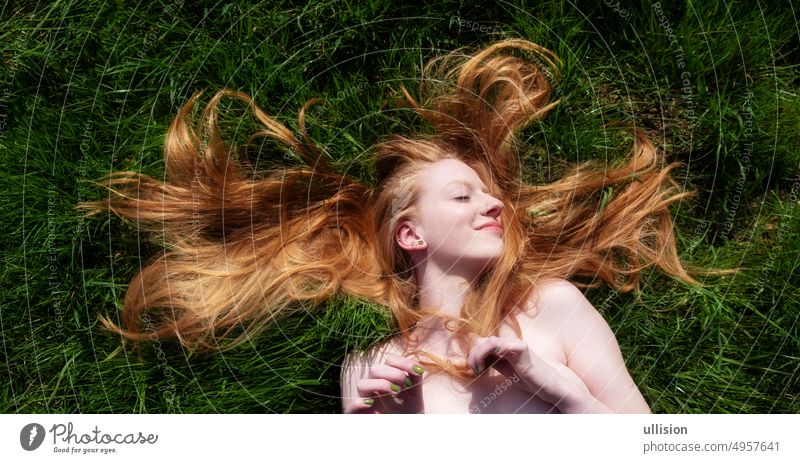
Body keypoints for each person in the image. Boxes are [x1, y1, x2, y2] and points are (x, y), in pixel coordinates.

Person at [78, 39, 698, 414]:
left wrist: (562, 393)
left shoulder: (552, 310)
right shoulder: (374, 371)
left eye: (491, 194)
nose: (495, 205)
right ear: (411, 235)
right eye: (464, 195)